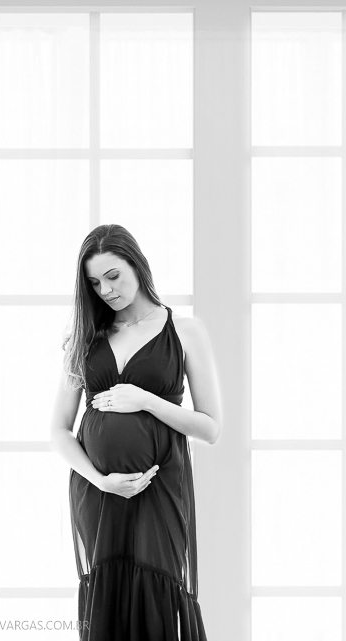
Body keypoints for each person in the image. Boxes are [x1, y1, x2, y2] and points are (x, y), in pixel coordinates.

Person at [49, 224, 222, 641]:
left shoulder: (185, 331)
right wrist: (101, 481)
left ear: (137, 265)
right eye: (94, 283)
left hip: (160, 489)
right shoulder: (86, 338)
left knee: (157, 598)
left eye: (113, 276)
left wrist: (146, 400)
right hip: (99, 492)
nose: (106, 290)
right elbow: (58, 430)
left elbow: (210, 428)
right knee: (107, 605)